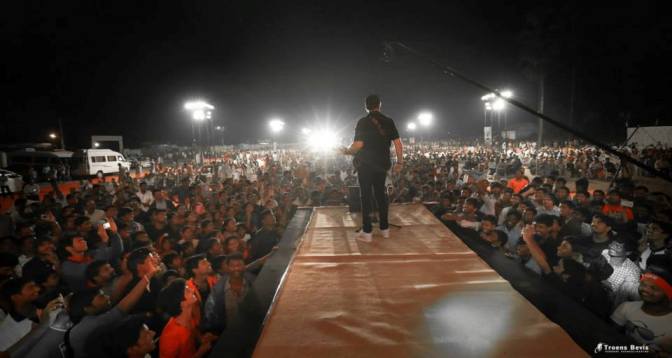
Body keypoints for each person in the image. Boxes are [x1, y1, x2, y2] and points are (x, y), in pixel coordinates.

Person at [341, 94, 403, 243]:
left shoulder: (363, 122)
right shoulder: (389, 121)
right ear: (379, 105)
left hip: (366, 164)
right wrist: (400, 163)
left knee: (366, 196)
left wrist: (345, 151)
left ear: (366, 106)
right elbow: (398, 144)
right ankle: (384, 229)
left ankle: (367, 231)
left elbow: (358, 145)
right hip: (382, 163)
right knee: (381, 195)